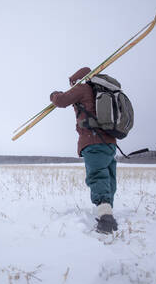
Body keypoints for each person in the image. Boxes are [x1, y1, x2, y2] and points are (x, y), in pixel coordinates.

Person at [50, 67, 118, 234]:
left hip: (93, 141)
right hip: (110, 142)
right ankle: (107, 211)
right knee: (108, 176)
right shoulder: (100, 90)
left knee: (97, 175)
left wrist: (54, 94)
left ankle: (106, 219)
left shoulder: (82, 88)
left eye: (72, 83)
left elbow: (61, 101)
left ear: (77, 80)